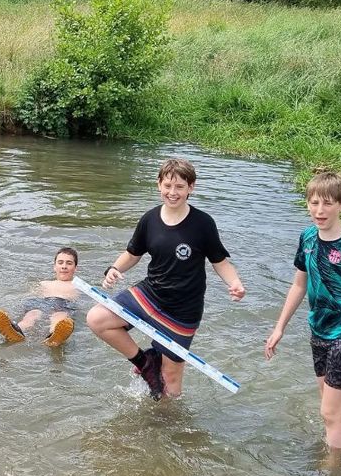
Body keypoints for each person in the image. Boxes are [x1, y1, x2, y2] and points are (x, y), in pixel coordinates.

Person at [87, 158, 245, 400]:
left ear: (191, 188)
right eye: (168, 186)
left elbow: (220, 262)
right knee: (97, 318)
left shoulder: (203, 223)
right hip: (150, 294)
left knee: (170, 388)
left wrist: (234, 283)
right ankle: (146, 362)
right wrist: (114, 269)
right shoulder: (149, 219)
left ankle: (164, 428)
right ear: (159, 185)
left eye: (180, 187)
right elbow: (132, 254)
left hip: (183, 310)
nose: (173, 193)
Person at [264, 170, 341, 451]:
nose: (320, 210)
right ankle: (340, 451)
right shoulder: (308, 238)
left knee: (329, 412)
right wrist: (279, 327)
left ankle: (334, 472)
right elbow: (299, 285)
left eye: (327, 203)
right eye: (314, 203)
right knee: (330, 407)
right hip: (319, 329)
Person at [0, 247, 80, 348]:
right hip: (41, 302)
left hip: (63, 304)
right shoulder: (44, 283)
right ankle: (16, 331)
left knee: (59, 317)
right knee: (32, 315)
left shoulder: (79, 286)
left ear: (76, 267)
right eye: (60, 263)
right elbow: (32, 294)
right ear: (54, 267)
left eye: (69, 263)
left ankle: (55, 335)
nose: (64, 266)